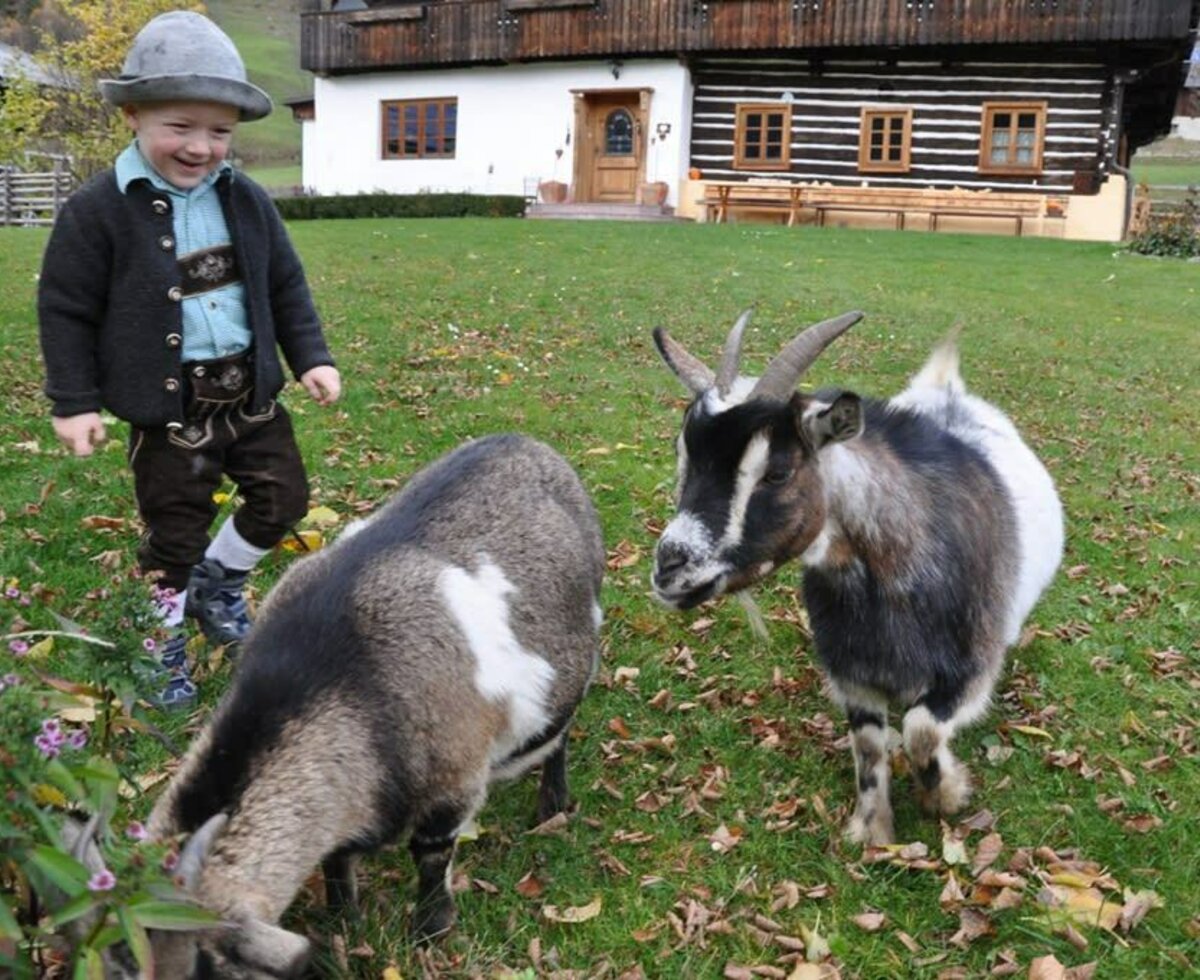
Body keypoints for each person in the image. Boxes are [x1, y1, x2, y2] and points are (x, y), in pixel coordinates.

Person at [37, 11, 341, 709]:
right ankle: (158, 638)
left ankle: (219, 581)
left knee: (283, 500)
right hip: (170, 417)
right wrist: (74, 401)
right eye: (181, 126)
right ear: (134, 113)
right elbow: (65, 309)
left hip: (254, 402)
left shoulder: (246, 198)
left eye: (221, 131)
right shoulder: (97, 211)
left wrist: (311, 358)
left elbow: (283, 284)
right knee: (173, 536)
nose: (202, 147)